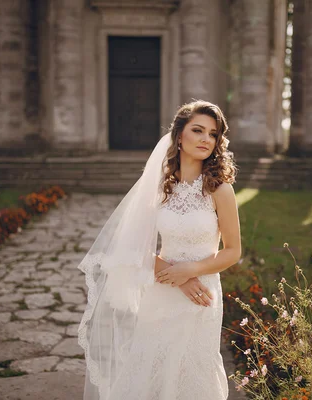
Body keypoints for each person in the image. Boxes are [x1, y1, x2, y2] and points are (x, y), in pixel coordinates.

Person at [77, 100, 242, 399]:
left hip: (201, 296)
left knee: (193, 370)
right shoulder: (160, 186)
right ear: (179, 136)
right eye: (198, 130)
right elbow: (131, 247)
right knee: (152, 366)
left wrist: (191, 271)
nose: (206, 138)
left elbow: (232, 251)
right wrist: (176, 275)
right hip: (163, 288)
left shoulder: (219, 189)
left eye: (213, 133)